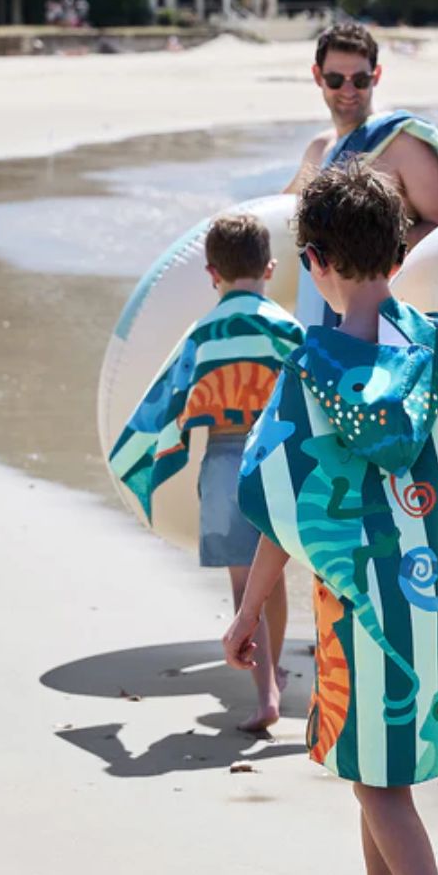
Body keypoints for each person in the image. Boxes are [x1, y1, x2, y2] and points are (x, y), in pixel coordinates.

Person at [223, 161, 438, 875]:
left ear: (314, 260)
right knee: (383, 765)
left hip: (364, 613)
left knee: (376, 781)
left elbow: (284, 508)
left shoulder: (309, 370)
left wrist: (249, 610)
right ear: (399, 253)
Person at [109, 214, 304, 731]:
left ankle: (265, 693)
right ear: (270, 268)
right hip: (275, 461)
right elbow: (313, 390)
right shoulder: (286, 328)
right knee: (270, 574)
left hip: (222, 461)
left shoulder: (203, 333)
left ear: (212, 274)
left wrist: (133, 456)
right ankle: (272, 672)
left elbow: (165, 400)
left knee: (243, 582)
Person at [285, 22, 438, 326]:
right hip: (326, 319)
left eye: (360, 80)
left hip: (390, 323)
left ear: (375, 76)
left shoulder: (403, 145)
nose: (348, 90)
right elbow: (282, 213)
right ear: (317, 76)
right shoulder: (318, 150)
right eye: (335, 80)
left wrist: (365, 243)